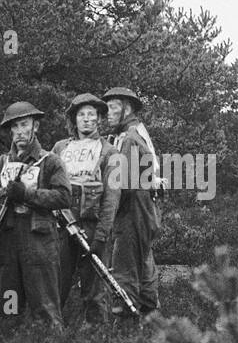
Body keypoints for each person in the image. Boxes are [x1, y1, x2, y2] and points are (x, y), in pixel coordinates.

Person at [0, 102, 72, 328]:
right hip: (6, 246)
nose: (20, 131)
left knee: (45, 310)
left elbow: (63, 197)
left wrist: (26, 194)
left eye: (24, 125)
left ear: (35, 126)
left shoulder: (50, 161)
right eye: (15, 126)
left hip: (38, 244)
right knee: (9, 309)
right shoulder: (0, 164)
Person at [51, 93, 121, 324]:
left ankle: (96, 337)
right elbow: (46, 184)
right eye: (81, 115)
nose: (87, 119)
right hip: (61, 226)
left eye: (92, 114)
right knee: (55, 284)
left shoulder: (111, 152)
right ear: (74, 119)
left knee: (95, 290)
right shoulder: (60, 148)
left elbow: (112, 198)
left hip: (92, 225)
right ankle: (50, 334)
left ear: (99, 119)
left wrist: (101, 235)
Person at [103, 87, 161, 318]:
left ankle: (125, 322)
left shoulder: (128, 139)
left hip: (131, 211)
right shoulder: (136, 132)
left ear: (126, 109)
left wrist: (106, 209)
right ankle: (150, 319)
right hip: (143, 208)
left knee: (125, 266)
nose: (107, 114)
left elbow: (122, 185)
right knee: (143, 263)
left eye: (112, 108)